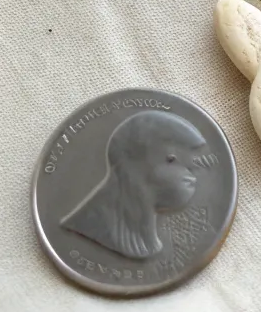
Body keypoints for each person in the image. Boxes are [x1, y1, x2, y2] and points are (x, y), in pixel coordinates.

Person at [62, 110, 206, 259]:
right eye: (171, 159)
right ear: (135, 166)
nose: (192, 169)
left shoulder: (137, 237)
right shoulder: (91, 225)